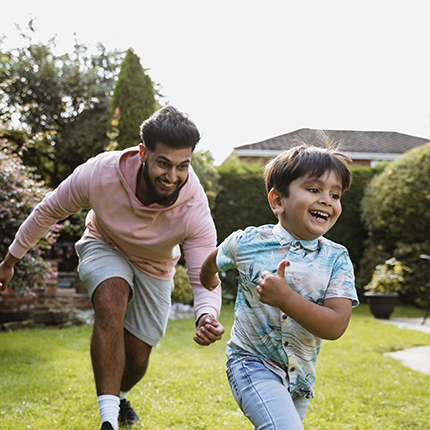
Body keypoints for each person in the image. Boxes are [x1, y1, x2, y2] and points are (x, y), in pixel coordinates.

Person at [0, 106, 225, 430]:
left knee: (136, 359)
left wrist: (207, 315)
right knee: (110, 298)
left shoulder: (194, 206)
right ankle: (108, 421)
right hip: (104, 243)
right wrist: (10, 260)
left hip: (157, 265)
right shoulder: (100, 173)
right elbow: (48, 211)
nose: (172, 176)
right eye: (163, 163)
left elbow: (205, 274)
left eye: (182, 166)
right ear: (143, 153)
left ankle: (118, 396)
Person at [200, 142, 359, 430]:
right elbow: (212, 261)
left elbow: (336, 326)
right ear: (278, 201)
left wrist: (285, 298)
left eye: (335, 194)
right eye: (314, 189)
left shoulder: (337, 259)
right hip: (250, 362)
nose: (327, 200)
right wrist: (209, 283)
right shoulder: (247, 243)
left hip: (300, 377)